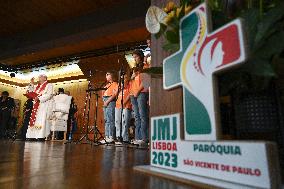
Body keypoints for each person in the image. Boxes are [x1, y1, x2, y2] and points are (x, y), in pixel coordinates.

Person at [129, 49, 150, 146]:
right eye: (133, 57)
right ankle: (137, 138)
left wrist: (137, 91)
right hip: (133, 94)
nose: (135, 59)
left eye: (136, 57)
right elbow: (132, 82)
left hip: (141, 93)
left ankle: (144, 138)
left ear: (140, 56)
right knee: (136, 117)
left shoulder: (145, 66)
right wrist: (132, 77)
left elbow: (146, 81)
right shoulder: (135, 69)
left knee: (142, 116)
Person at [26, 74, 54, 140]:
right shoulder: (37, 86)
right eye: (39, 76)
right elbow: (31, 92)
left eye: (41, 76)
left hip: (43, 105)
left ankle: (39, 136)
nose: (39, 77)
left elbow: (49, 95)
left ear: (45, 78)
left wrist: (39, 98)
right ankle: (32, 135)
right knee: (34, 121)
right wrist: (31, 84)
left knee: (40, 121)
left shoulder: (49, 85)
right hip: (36, 105)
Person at [101, 71, 118, 143]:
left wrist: (107, 101)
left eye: (108, 74)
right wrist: (104, 100)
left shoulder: (115, 84)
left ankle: (111, 136)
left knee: (111, 119)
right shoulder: (107, 85)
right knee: (106, 119)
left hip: (110, 101)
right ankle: (106, 136)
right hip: (105, 101)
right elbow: (103, 93)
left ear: (112, 75)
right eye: (106, 74)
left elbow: (114, 94)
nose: (106, 76)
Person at [115, 73, 132, 144]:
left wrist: (124, 102)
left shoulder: (130, 85)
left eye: (125, 78)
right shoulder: (121, 88)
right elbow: (116, 95)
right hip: (118, 106)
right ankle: (118, 137)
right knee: (117, 122)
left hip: (126, 106)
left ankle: (125, 138)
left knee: (124, 122)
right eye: (122, 78)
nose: (123, 79)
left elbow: (130, 94)